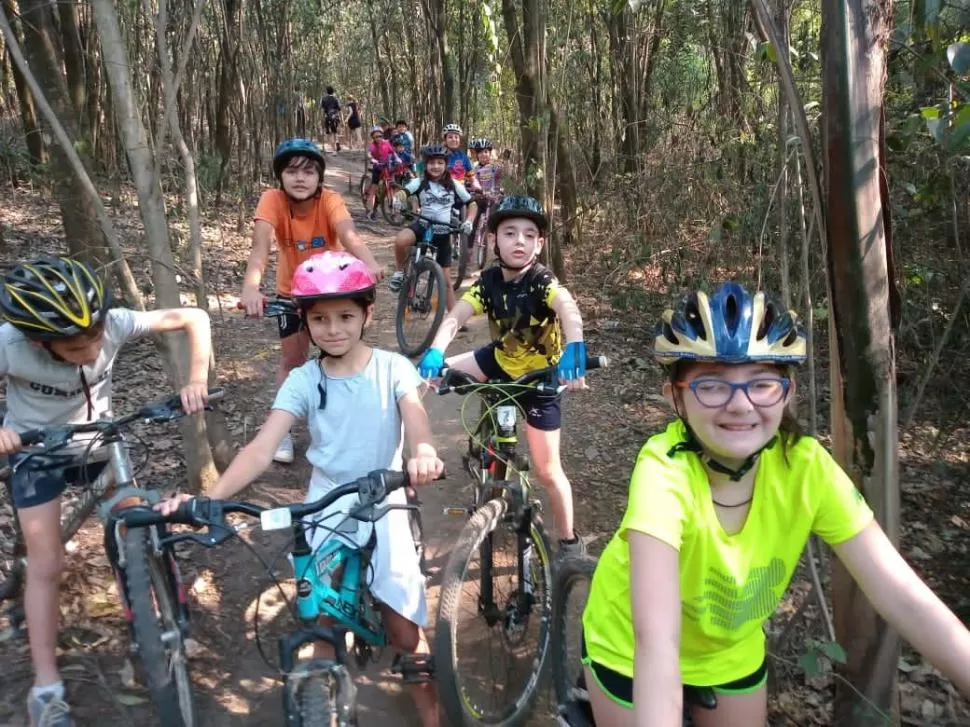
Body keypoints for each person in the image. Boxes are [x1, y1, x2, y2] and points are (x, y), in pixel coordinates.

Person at [579, 281, 970, 727]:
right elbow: (657, 643)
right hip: (629, 649)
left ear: (788, 391)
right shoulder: (662, 471)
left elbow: (903, 596)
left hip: (731, 649)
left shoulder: (806, 467)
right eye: (712, 385)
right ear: (676, 398)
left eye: (761, 384)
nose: (741, 405)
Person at [156, 252, 443, 727]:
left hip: (385, 497)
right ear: (305, 323)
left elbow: (414, 415)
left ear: (368, 314)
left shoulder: (392, 368)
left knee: (404, 627)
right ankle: (318, 700)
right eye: (320, 319)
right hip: (327, 503)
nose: (333, 329)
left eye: (346, 316)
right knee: (321, 618)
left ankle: (431, 715)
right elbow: (262, 447)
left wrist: (426, 450)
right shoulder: (303, 380)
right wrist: (213, 497)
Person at [0, 256, 212, 727]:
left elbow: (193, 318)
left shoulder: (112, 324)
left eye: (96, 336)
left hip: (101, 441)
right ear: (39, 341)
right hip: (38, 453)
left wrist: (195, 380)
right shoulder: (10, 344)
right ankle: (46, 690)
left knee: (138, 521)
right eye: (78, 347)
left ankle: (152, 614)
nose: (94, 349)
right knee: (47, 561)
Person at [415, 196, 588, 556]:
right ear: (494, 240)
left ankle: (570, 542)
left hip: (541, 378)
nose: (519, 241)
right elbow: (457, 315)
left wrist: (576, 344)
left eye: (529, 234)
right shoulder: (489, 281)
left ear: (540, 244)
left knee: (547, 471)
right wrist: (436, 350)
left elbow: (567, 308)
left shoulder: (542, 281)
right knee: (422, 381)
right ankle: (408, 470)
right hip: (498, 361)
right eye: (509, 233)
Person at [240, 138, 382, 463]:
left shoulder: (330, 200)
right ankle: (282, 432)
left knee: (344, 357)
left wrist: (369, 261)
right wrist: (251, 287)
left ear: (319, 177)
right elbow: (260, 247)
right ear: (281, 177)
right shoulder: (271, 200)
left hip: (333, 293)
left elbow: (348, 234)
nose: (300, 178)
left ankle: (347, 426)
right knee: (292, 362)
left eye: (308, 171)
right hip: (292, 293)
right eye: (292, 171)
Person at [388, 144, 476, 313]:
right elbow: (405, 191)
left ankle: (454, 318)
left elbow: (471, 203)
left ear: (445, 165)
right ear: (426, 165)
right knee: (401, 240)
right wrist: (398, 199)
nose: (435, 166)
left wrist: (469, 221)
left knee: (446, 282)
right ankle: (399, 272)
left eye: (440, 163)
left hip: (443, 234)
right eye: (431, 163)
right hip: (422, 226)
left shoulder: (455, 185)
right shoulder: (420, 181)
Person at [469, 138, 503, 253]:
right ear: (477, 155)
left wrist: (506, 161)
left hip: (492, 199)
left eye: (486, 152)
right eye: (480, 152)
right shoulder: (474, 168)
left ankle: (498, 248)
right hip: (479, 199)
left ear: (490, 153)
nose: (483, 154)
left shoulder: (494, 167)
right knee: (473, 223)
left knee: (495, 222)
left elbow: (501, 175)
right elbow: (471, 181)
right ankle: (468, 249)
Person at [365, 125, 398, 221]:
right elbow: (369, 153)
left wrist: (397, 159)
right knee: (373, 190)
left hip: (387, 167)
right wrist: (372, 159)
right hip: (377, 168)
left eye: (380, 136)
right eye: (376, 137)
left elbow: (392, 152)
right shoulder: (373, 146)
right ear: (373, 138)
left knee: (390, 188)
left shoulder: (386, 143)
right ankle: (369, 211)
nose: (378, 138)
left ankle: (393, 212)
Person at [440, 123, 479, 192]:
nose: (454, 139)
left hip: (461, 191)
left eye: (456, 137)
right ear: (445, 140)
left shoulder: (464, 157)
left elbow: (471, 175)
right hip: (443, 190)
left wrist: (476, 185)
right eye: (450, 137)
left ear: (459, 140)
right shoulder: (439, 155)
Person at [319, 86, 341, 152]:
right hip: (335, 116)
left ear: (326, 91)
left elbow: (322, 109)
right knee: (335, 131)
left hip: (328, 116)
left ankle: (334, 150)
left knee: (330, 133)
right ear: (333, 91)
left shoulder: (324, 99)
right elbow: (339, 108)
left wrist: (321, 117)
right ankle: (337, 141)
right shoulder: (336, 99)